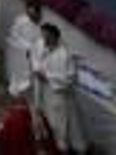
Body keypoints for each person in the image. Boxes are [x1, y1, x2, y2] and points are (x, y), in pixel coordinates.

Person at [31, 23, 86, 153]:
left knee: (59, 126)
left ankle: (62, 148)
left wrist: (48, 77)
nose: (44, 40)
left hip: (57, 96)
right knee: (44, 120)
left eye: (47, 37)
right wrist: (36, 69)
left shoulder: (65, 55)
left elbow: (71, 79)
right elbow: (34, 58)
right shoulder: (40, 45)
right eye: (43, 36)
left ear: (56, 38)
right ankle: (47, 143)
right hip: (42, 91)